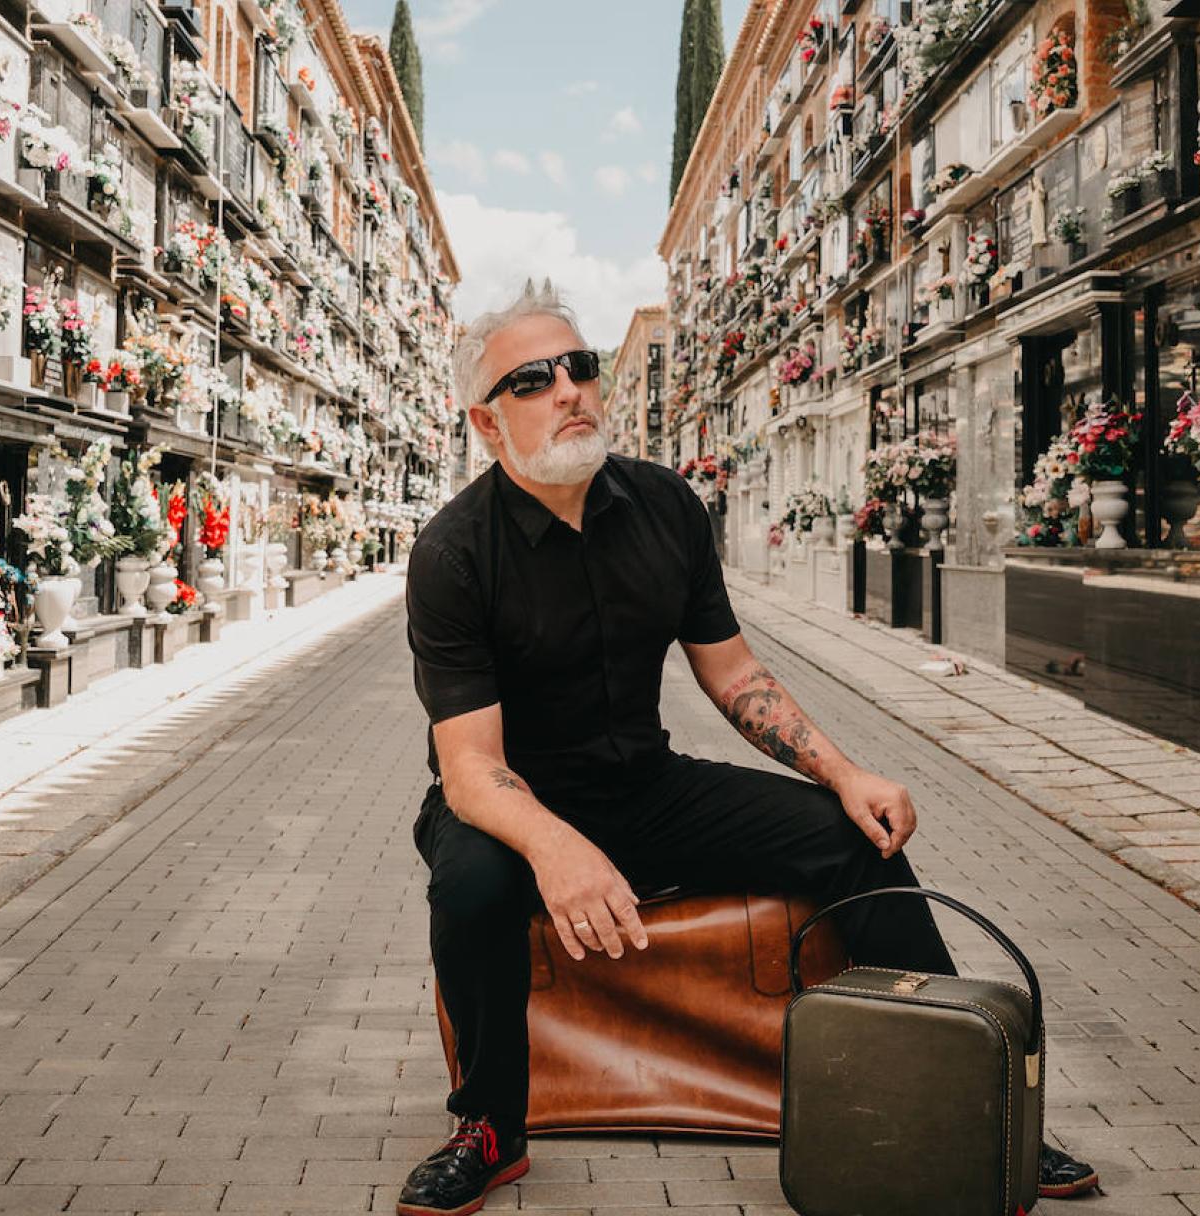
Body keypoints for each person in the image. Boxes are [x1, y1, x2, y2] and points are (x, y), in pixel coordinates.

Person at [397, 283, 1099, 1216]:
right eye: (534, 379)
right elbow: (472, 768)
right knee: (474, 886)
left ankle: (972, 1091)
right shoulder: (453, 554)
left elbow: (734, 677)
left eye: (580, 365)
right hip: (509, 800)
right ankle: (488, 1125)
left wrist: (846, 774)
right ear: (489, 423)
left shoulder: (665, 507)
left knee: (853, 840)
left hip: (643, 788)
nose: (569, 389)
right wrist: (555, 847)